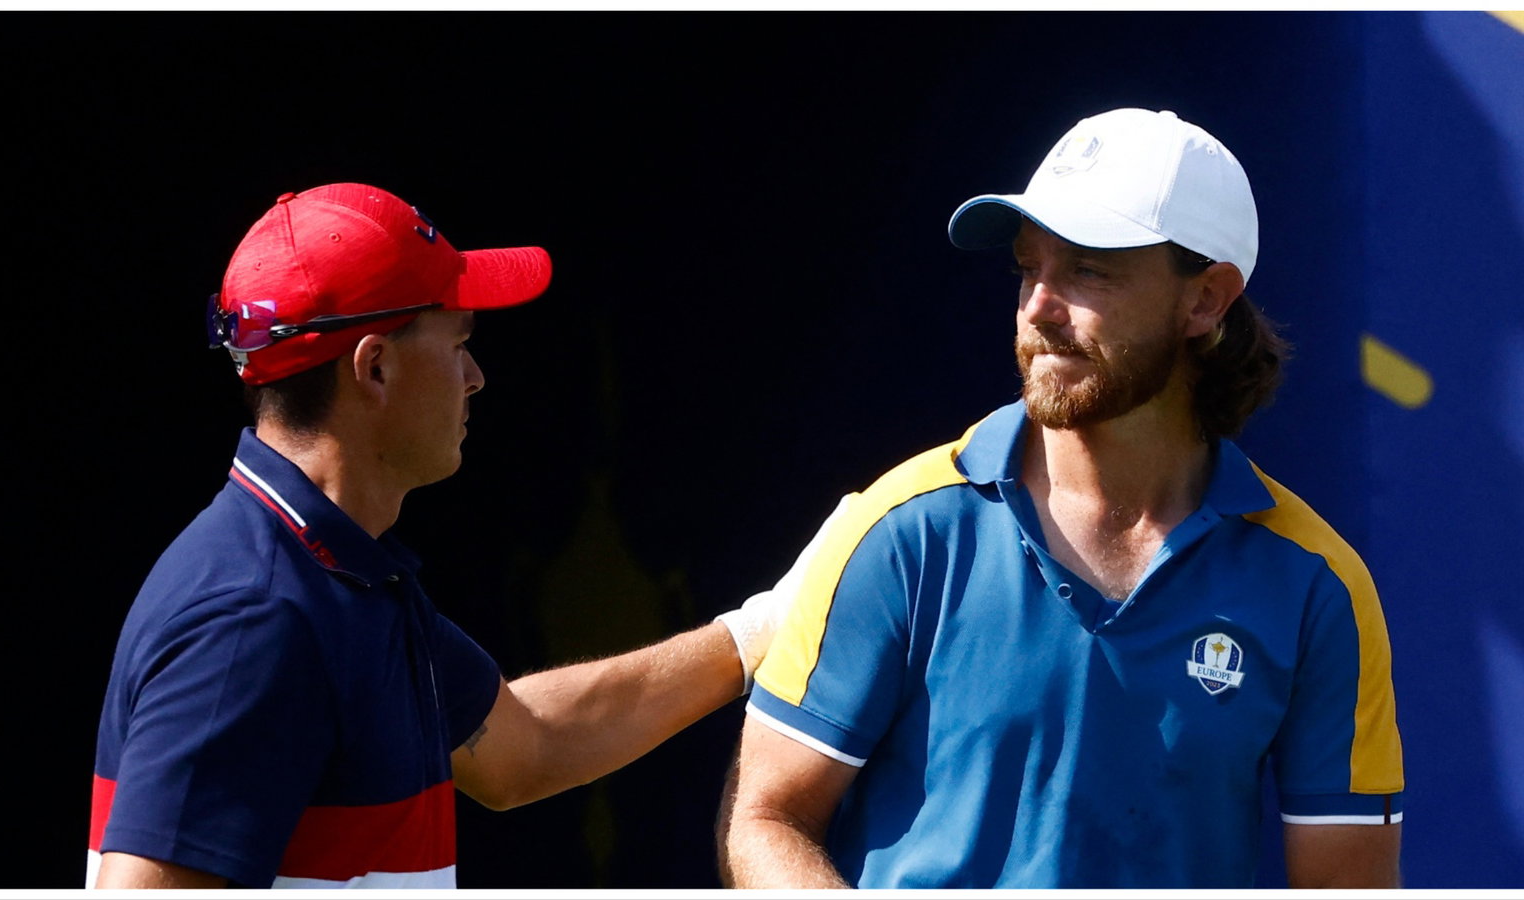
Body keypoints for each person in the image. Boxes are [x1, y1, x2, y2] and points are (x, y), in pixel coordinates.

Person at [718, 108, 1404, 889]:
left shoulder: (1319, 586)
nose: (1039, 307)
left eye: (1088, 269)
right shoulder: (902, 527)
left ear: (1207, 299)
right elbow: (767, 820)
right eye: (1026, 268)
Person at [87, 182, 831, 889]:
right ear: (373, 368)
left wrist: (763, 628)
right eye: (457, 343)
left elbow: (528, 745)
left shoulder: (341, 574)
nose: (475, 377)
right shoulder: (256, 617)